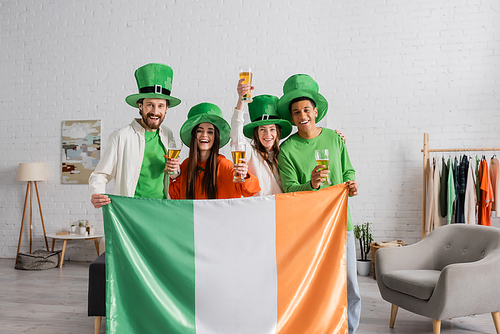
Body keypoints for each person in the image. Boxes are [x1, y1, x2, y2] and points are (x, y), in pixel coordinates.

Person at [277, 74, 360, 334]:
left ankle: (351, 329)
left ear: (315, 111)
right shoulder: (287, 149)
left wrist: (352, 184)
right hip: (309, 227)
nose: (302, 115)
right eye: (296, 112)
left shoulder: (335, 139)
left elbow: (348, 171)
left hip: (340, 221)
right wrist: (311, 184)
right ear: (291, 118)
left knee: (350, 283)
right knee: (315, 283)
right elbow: (289, 189)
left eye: (306, 110)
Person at [89, 63, 182, 208]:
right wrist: (97, 193)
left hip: (162, 208)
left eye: (160, 106)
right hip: (132, 211)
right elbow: (100, 174)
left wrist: (175, 168)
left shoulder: (167, 134)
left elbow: (173, 175)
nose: (155, 111)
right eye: (150, 104)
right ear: (140, 105)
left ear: (166, 108)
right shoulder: (120, 136)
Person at [169, 102, 260, 199]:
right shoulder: (186, 165)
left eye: (210, 132)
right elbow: (174, 195)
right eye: (199, 131)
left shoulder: (225, 165)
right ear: (193, 136)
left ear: (215, 137)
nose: (204, 135)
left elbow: (251, 191)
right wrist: (170, 173)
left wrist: (244, 174)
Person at [229, 80, 293, 196]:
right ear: (256, 133)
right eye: (262, 129)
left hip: (283, 209)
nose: (268, 134)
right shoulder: (250, 154)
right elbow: (236, 133)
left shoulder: (285, 154)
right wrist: (241, 100)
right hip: (258, 210)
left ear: (278, 132)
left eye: (272, 129)